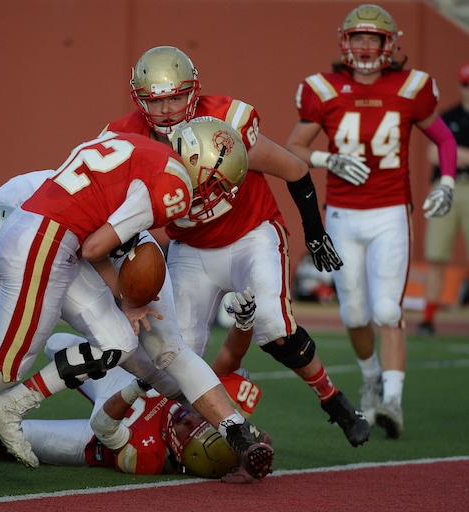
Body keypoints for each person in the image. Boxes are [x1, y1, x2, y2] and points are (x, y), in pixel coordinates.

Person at [0, 117, 275, 491]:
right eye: (218, 183)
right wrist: (127, 297)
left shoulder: (140, 145)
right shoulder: (173, 186)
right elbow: (96, 244)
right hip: (46, 243)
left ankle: (12, 405)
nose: (216, 194)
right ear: (200, 166)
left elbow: (94, 231)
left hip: (56, 238)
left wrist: (127, 292)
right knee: (2, 368)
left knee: (120, 341)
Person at [103, 45, 369, 448]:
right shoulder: (125, 139)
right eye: (157, 100)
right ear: (140, 101)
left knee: (275, 327)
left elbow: (294, 169)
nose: (168, 109)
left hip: (251, 233)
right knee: (174, 354)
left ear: (193, 91)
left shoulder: (226, 122)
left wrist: (315, 233)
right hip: (190, 249)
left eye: (176, 96)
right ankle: (177, 434)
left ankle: (333, 400)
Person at [285, 4, 457, 439]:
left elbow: (442, 136)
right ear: (345, 42)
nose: (364, 46)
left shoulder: (411, 87)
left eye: (373, 39)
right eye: (358, 38)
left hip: (389, 212)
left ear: (388, 43)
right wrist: (330, 158)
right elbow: (295, 147)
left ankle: (393, 401)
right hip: (342, 214)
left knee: (386, 308)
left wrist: (448, 181)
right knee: (356, 311)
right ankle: (371, 377)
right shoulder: (323, 89)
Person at [0, 332, 265, 483]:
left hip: (96, 435)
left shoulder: (147, 457)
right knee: (58, 343)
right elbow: (229, 364)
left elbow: (103, 426)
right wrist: (253, 446)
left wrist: (140, 386)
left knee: (20, 438)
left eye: (187, 430)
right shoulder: (204, 422)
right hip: (125, 387)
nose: (189, 417)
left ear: (184, 453)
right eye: (201, 421)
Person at [418, 61, 469, 336]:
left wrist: (456, 154)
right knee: (436, 255)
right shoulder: (448, 116)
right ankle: (428, 318)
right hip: (446, 188)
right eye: (466, 85)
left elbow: (446, 151)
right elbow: (431, 153)